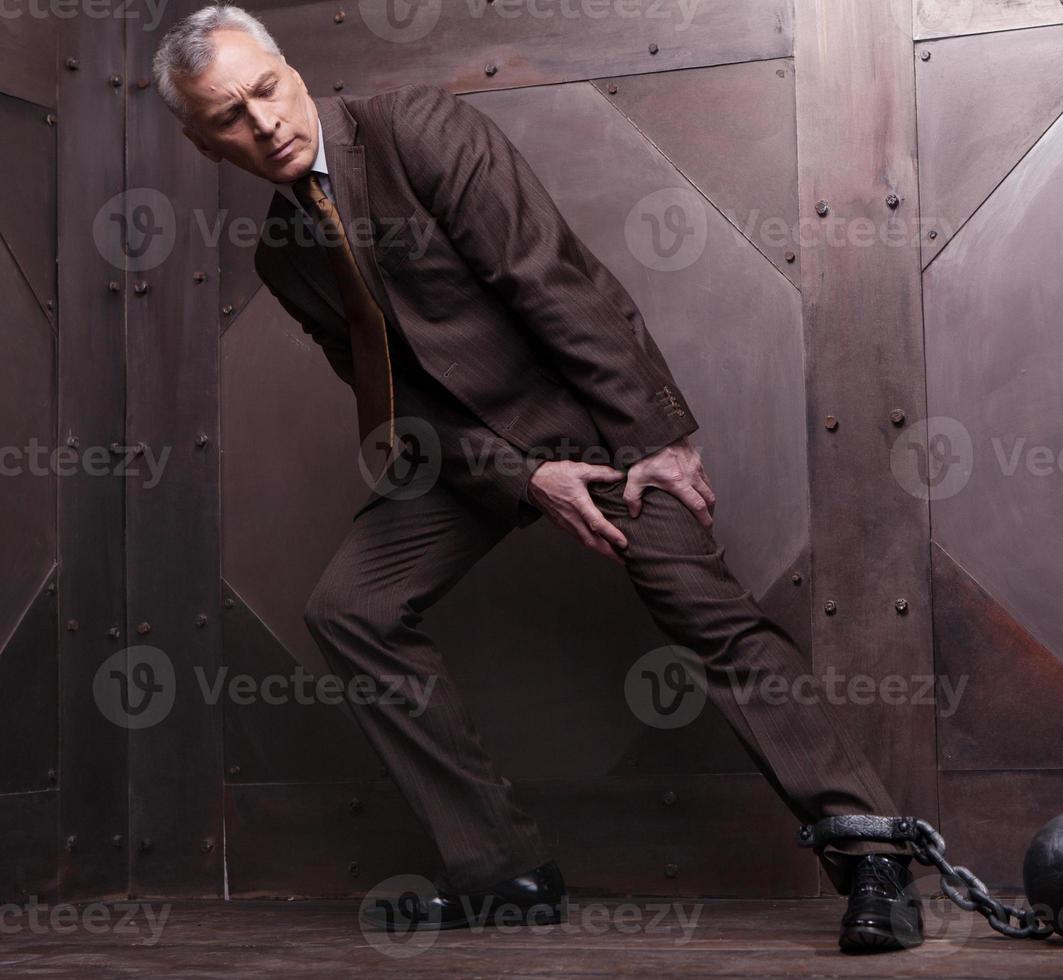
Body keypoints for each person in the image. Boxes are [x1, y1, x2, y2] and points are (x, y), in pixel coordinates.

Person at [151, 3, 921, 952]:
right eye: (227, 117)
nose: (262, 123)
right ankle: (501, 870)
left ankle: (873, 851)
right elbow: (397, 409)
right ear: (203, 142)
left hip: (590, 419)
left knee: (707, 617)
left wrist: (654, 441)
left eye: (264, 90)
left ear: (291, 73)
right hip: (474, 459)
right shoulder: (283, 256)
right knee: (351, 607)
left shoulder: (416, 130)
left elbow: (551, 280)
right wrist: (523, 480)